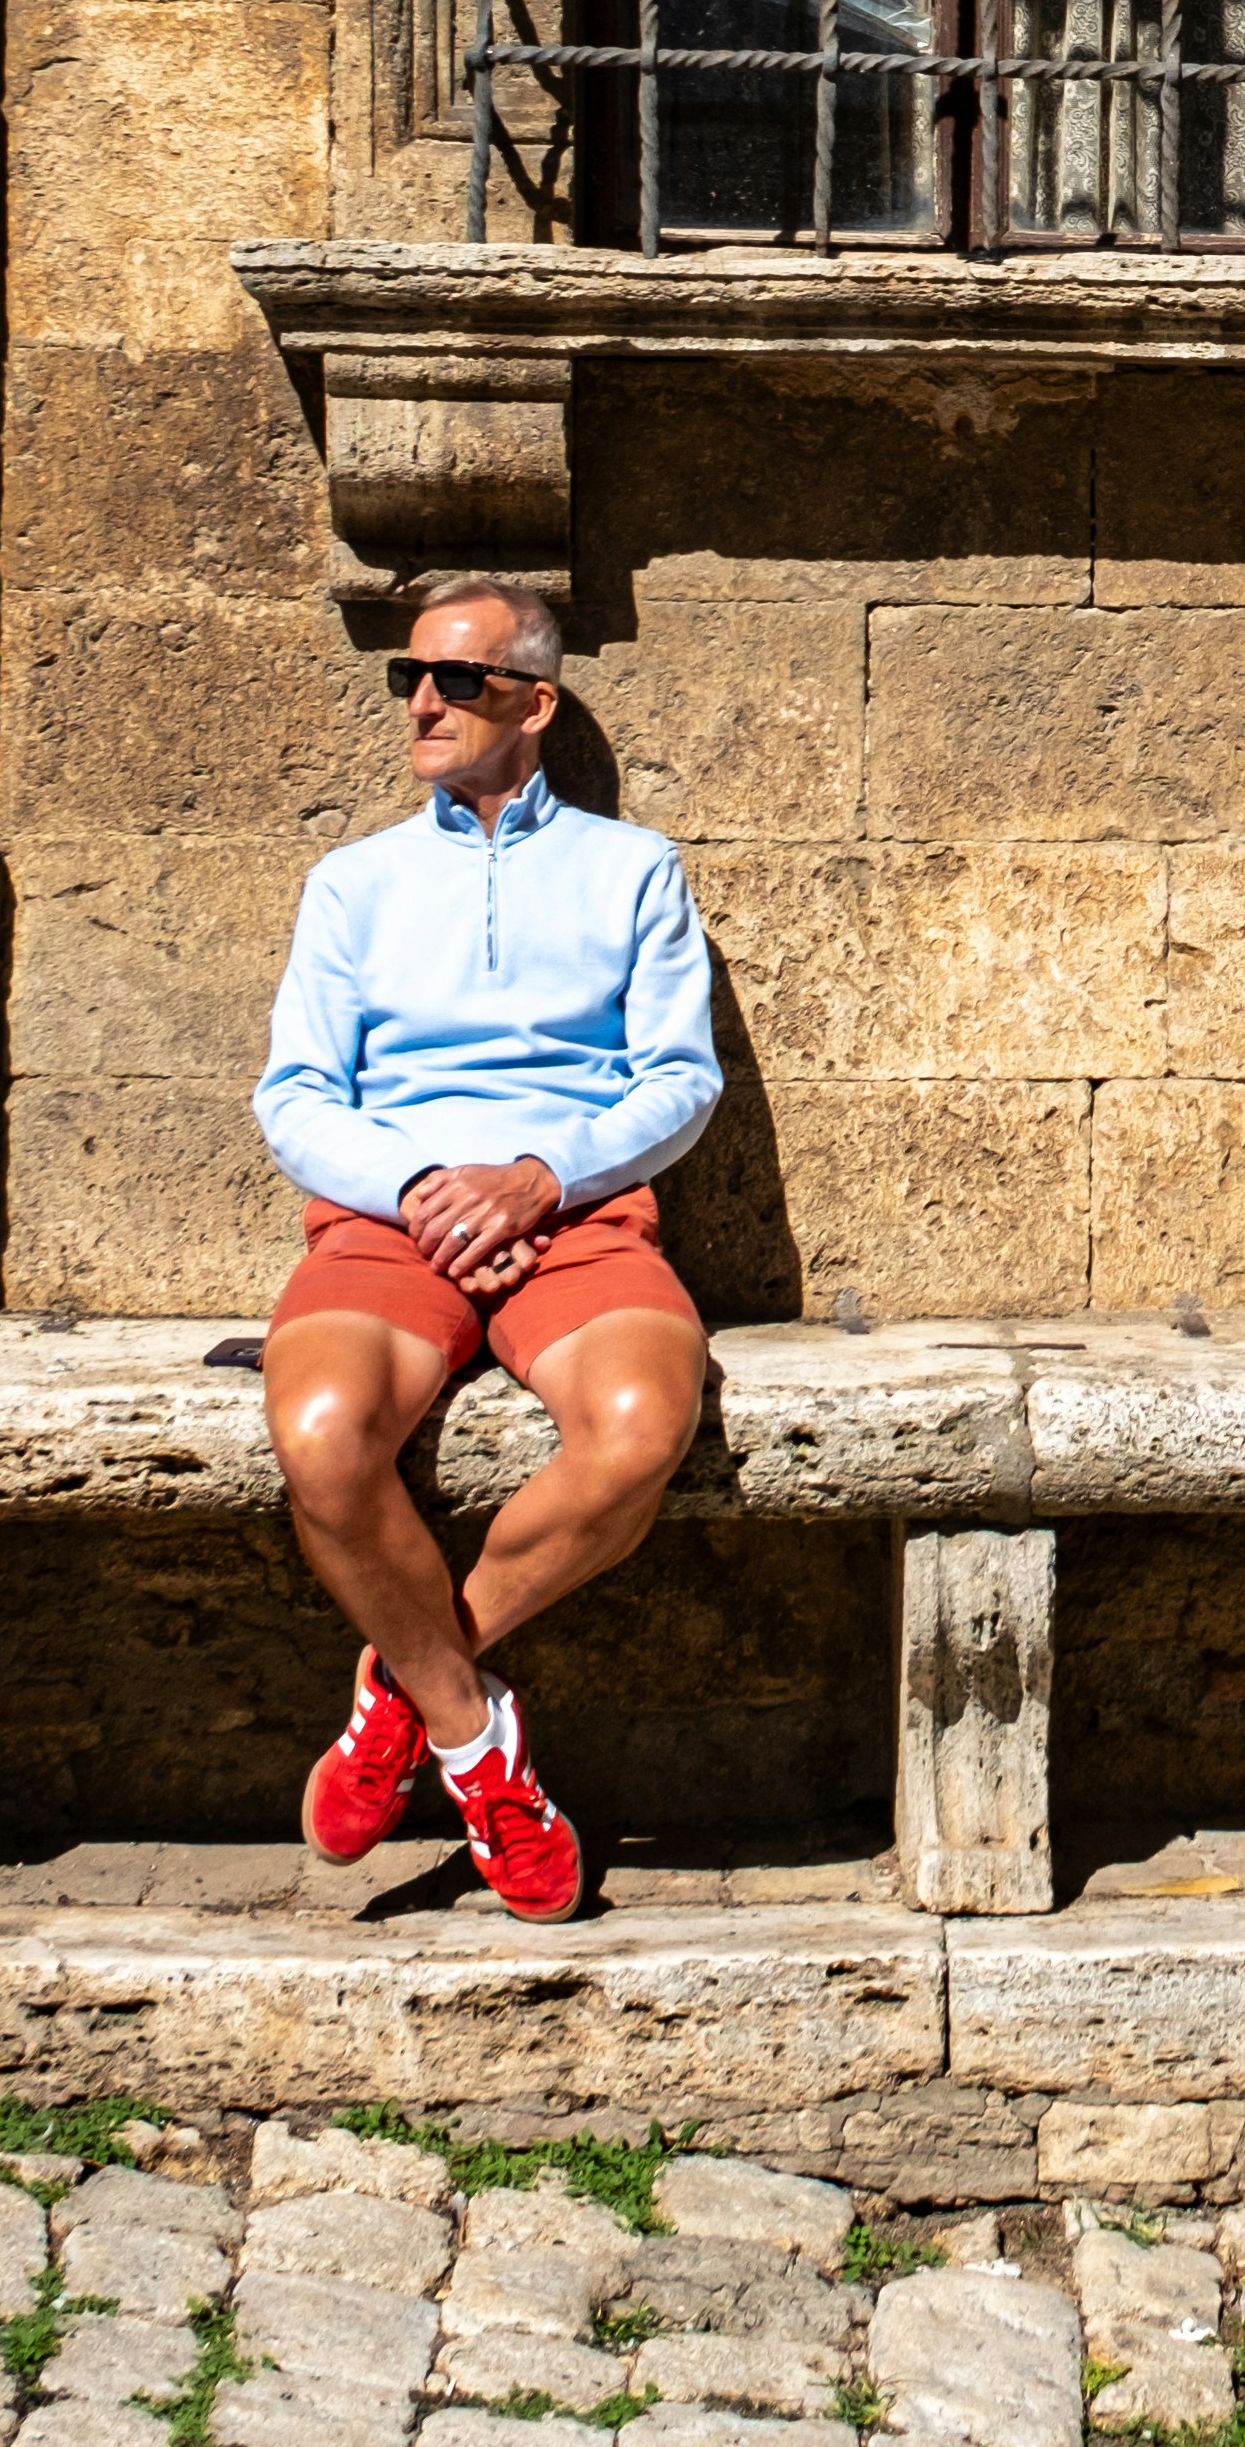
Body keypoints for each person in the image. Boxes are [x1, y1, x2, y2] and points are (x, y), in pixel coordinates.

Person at [252, 576, 721, 1919]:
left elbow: (678, 1081)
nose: (423, 700)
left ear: (533, 700)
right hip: (390, 1218)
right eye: (414, 674)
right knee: (324, 1432)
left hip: (572, 1215)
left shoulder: (633, 868)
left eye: (456, 679)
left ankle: (403, 1677)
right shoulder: (352, 883)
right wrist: (419, 1189)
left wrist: (537, 1176)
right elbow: (292, 1097)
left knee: (640, 1426)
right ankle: (473, 1739)